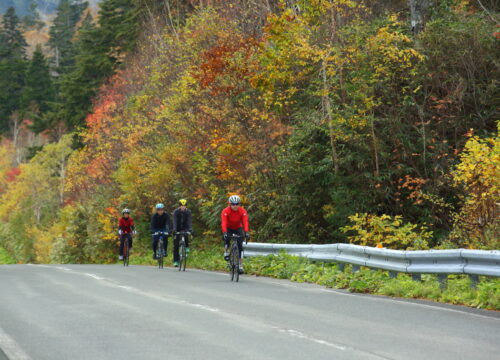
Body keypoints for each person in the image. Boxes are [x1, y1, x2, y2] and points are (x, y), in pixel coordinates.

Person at [221, 195, 250, 274]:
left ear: (239, 204)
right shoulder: (225, 211)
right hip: (228, 228)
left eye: (237, 204)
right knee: (227, 239)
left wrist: (246, 232)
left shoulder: (242, 211)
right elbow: (224, 222)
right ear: (230, 204)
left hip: (238, 228)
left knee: (240, 246)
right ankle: (226, 252)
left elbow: (245, 222)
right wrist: (224, 232)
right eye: (233, 204)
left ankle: (240, 265)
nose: (235, 206)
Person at [172, 199, 193, 267]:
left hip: (185, 227)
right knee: (176, 245)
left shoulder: (188, 212)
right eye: (182, 206)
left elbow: (189, 221)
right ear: (179, 206)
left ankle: (186, 247)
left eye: (184, 206)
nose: (183, 207)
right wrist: (174, 229)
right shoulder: (176, 212)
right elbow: (174, 221)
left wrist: (190, 229)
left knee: (186, 234)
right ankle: (175, 261)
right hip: (177, 228)